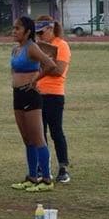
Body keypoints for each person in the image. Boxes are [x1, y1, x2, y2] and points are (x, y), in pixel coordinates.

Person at [9, 15, 58, 191]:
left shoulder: (32, 48)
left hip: (31, 96)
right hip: (18, 95)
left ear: (27, 31)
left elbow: (50, 64)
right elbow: (14, 70)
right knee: (27, 139)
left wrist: (36, 79)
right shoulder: (16, 49)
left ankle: (46, 179)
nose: (14, 31)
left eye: (18, 29)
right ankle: (32, 176)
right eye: (14, 28)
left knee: (37, 138)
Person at [34, 15, 72, 185]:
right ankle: (43, 167)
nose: (39, 36)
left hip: (54, 94)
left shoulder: (61, 45)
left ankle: (63, 168)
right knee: (39, 133)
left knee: (56, 132)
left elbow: (58, 70)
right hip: (37, 93)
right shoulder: (38, 46)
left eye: (42, 33)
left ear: (50, 29)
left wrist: (44, 64)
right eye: (37, 34)